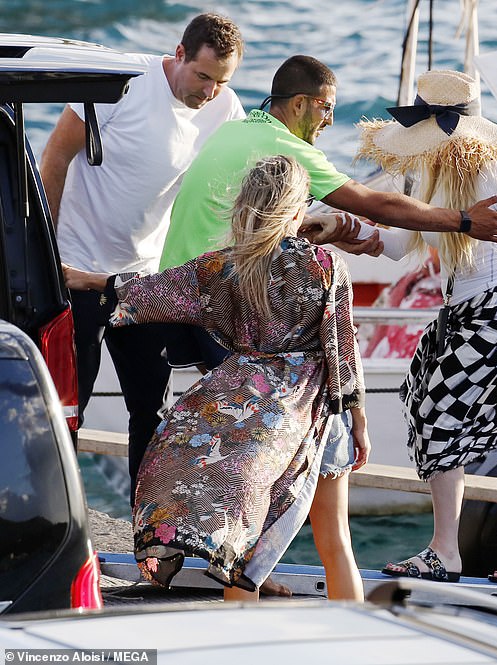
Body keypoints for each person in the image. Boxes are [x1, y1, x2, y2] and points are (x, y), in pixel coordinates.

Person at [63, 155, 370, 602]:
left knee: (240, 554)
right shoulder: (325, 265)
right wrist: (357, 418)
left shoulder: (224, 266)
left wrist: (88, 281)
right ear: (299, 209)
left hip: (251, 415)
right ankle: (358, 644)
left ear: (244, 204)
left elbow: (149, 292)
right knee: (336, 540)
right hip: (322, 412)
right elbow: (342, 348)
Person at [159, 55, 497, 370]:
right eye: (326, 107)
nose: (330, 121)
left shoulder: (231, 132)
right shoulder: (283, 145)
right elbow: (372, 202)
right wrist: (463, 220)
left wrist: (329, 227)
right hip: (217, 301)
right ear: (300, 104)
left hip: (175, 291)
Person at [355, 69, 497, 587]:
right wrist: (352, 236)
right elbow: (401, 245)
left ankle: (445, 551)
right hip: (468, 311)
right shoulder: (427, 172)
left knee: (435, 412)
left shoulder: (491, 172)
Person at [39, 13, 246, 502]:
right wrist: (46, 251)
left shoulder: (225, 108)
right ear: (178, 55)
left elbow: (241, 184)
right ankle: (52, 522)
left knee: (151, 410)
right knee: (70, 408)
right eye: (203, 76)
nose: (210, 91)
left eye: (222, 81)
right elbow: (54, 156)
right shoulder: (122, 85)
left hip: (144, 282)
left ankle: (147, 533)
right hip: (74, 269)